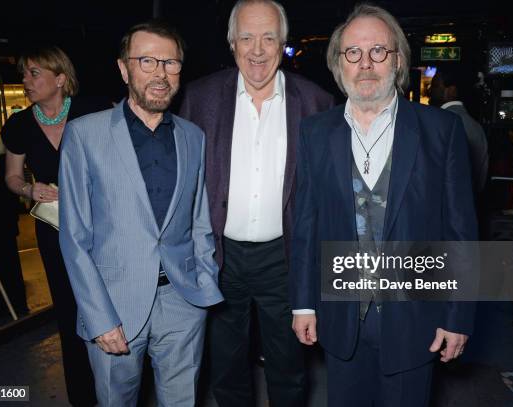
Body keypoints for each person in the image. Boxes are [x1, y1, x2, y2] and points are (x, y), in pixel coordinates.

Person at [290, 4, 477, 406]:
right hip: (341, 320)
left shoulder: (441, 131)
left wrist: (458, 315)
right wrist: (303, 303)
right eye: (353, 53)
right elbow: (306, 224)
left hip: (416, 322)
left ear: (398, 60)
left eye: (378, 51)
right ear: (339, 64)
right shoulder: (315, 133)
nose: (366, 63)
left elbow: (461, 232)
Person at [58, 20, 223, 406]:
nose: (160, 73)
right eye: (147, 61)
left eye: (171, 63)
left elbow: (200, 220)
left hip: (183, 301)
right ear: (123, 68)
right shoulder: (84, 135)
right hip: (114, 306)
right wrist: (99, 317)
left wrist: (203, 283)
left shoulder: (192, 136)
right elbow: (74, 238)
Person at [179, 1, 334, 405]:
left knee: (288, 368)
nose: (257, 49)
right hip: (219, 257)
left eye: (268, 37)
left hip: (283, 259)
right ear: (232, 44)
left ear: (283, 43)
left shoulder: (317, 102)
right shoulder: (200, 98)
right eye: (246, 37)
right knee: (226, 369)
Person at [1, 45, 108, 407]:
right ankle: (82, 396)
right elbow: (12, 177)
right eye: (25, 73)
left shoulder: (94, 111)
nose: (26, 81)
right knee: (68, 310)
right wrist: (29, 188)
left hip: (103, 228)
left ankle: (118, 387)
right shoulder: (18, 125)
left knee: (110, 304)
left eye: (34, 73)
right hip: (55, 229)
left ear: (60, 78)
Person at [429, 67, 489, 197]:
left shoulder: (439, 124)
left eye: (435, 86)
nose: (430, 91)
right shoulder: (476, 127)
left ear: (451, 91)